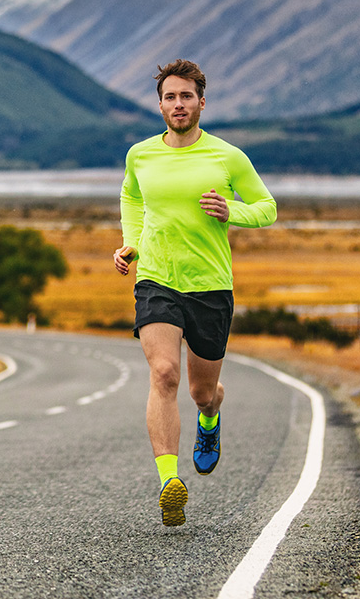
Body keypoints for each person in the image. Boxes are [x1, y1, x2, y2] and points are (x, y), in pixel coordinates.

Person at [113, 59, 277, 526]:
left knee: (201, 390)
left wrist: (233, 211)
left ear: (201, 102)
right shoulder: (140, 154)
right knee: (163, 373)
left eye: (187, 96)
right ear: (160, 104)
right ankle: (170, 481)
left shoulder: (227, 157)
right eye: (170, 97)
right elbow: (132, 197)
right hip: (158, 279)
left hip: (210, 286)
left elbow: (267, 208)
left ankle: (211, 415)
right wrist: (133, 243)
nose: (178, 104)